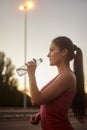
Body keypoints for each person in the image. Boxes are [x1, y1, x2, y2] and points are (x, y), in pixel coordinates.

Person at [26, 36, 86, 130]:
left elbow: (36, 100)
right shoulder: (61, 76)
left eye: (51, 50)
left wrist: (31, 74)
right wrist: (41, 114)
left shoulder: (67, 76)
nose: (48, 55)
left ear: (64, 52)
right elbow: (58, 104)